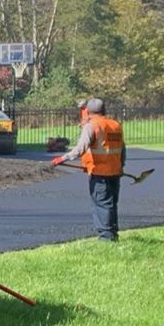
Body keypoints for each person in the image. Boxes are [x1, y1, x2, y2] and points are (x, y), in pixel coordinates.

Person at [52, 96, 124, 241]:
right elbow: (123, 149)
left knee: (102, 204)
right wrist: (121, 166)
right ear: (104, 109)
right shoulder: (115, 125)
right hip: (115, 172)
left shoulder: (92, 126)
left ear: (89, 111)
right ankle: (113, 233)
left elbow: (80, 148)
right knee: (111, 204)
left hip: (99, 173)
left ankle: (106, 237)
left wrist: (62, 158)